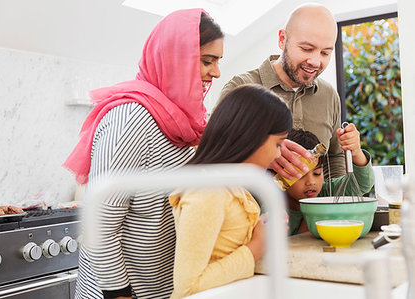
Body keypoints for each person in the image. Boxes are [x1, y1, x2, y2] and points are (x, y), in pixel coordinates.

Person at [63, 9, 224, 299]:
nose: (216, 72)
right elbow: (100, 224)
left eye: (217, 62)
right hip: (118, 293)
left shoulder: (188, 122)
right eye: (206, 61)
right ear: (176, 60)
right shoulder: (130, 119)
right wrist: (121, 294)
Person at [169, 84, 292, 298]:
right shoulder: (208, 190)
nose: (278, 154)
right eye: (278, 144)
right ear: (253, 136)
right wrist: (256, 247)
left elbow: (224, 241)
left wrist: (262, 228)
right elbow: (187, 287)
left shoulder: (229, 182)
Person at [219, 3, 346, 180]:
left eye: (325, 53)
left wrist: (337, 205)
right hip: (251, 207)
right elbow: (216, 155)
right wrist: (261, 152)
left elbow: (334, 157)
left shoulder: (328, 95)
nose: (316, 62)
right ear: (282, 39)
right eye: (306, 49)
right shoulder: (240, 88)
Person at [285, 126, 375, 235]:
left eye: (317, 173)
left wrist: (356, 152)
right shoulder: (273, 207)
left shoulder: (327, 192)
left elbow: (363, 183)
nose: (311, 182)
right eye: (301, 175)